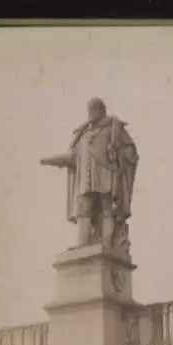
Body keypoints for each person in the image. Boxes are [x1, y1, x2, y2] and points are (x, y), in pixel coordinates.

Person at [40, 98, 139, 248]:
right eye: (89, 109)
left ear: (101, 110)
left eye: (93, 109)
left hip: (106, 175)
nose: (90, 113)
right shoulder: (83, 136)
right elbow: (72, 158)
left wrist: (118, 153)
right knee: (83, 207)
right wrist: (48, 160)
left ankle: (106, 242)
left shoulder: (112, 129)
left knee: (107, 208)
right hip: (85, 181)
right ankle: (82, 244)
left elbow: (130, 151)